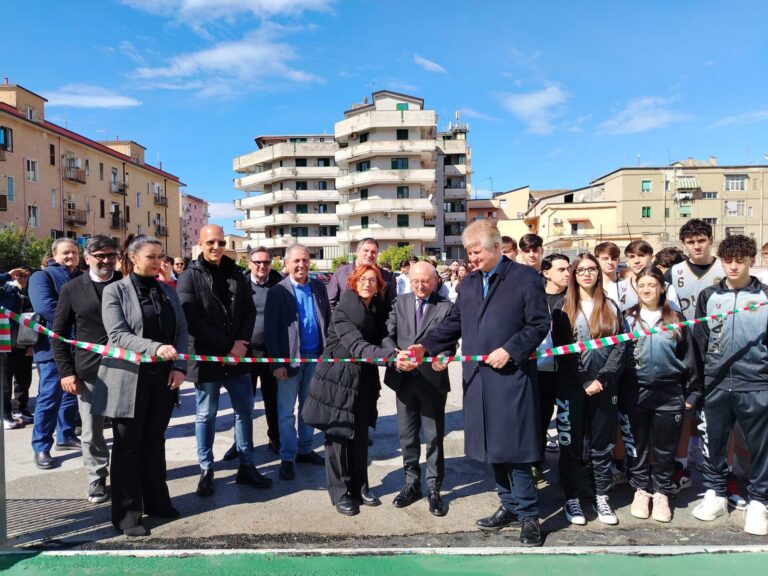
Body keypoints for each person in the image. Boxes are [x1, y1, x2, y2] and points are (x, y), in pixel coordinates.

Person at [408, 220, 550, 546]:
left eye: (477, 253)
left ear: (497, 248)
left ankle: (529, 516)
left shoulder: (524, 278)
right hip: (478, 380)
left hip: (511, 377)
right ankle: (508, 505)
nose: (472, 259)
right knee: (491, 448)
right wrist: (425, 346)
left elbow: (539, 323)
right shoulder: (470, 284)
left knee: (516, 450)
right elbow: (456, 322)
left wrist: (512, 350)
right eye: (469, 253)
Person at [96, 235, 187, 536]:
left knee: (154, 442)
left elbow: (182, 332)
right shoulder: (115, 291)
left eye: (161, 256)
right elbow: (118, 335)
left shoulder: (167, 291)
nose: (159, 261)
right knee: (128, 447)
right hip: (128, 380)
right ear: (133, 258)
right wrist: (155, 347)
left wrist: (178, 366)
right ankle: (127, 515)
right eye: (152, 256)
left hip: (163, 379)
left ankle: (158, 503)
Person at [177, 224, 271, 498]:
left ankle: (246, 464)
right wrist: (228, 347)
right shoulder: (188, 277)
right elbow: (192, 319)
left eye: (220, 242)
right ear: (200, 243)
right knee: (206, 415)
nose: (216, 247)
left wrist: (240, 346)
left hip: (238, 359)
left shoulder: (235, 273)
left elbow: (248, 311)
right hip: (208, 360)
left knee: (245, 412)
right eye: (210, 243)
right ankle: (206, 469)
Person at [302, 264, 396, 516]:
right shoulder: (344, 309)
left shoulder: (375, 308)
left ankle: (360, 487)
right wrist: (392, 357)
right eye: (362, 279)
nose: (367, 284)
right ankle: (340, 492)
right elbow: (358, 347)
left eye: (373, 280)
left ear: (378, 286)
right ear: (354, 282)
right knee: (338, 438)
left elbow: (382, 336)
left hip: (364, 379)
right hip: (338, 381)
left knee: (360, 436)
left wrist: (395, 350)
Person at [692, 235, 768, 536]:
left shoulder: (765, 296)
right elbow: (699, 341)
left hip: (756, 383)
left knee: (760, 447)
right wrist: (698, 384)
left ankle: (760, 502)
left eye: (740, 260)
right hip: (716, 383)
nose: (734, 266)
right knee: (714, 443)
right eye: (728, 260)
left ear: (751, 260)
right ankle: (716, 493)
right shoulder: (709, 295)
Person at [552, 252, 628, 526]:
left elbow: (621, 345)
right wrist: (584, 379)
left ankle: (602, 496)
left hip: (605, 387)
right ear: (573, 274)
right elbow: (563, 352)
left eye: (592, 269)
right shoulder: (562, 308)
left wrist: (604, 378)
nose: (586, 274)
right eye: (581, 269)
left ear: (598, 273)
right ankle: (571, 497)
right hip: (572, 388)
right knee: (570, 445)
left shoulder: (612, 307)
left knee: (601, 445)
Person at [623, 266, 700, 523]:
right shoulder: (627, 319)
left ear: (662, 288)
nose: (647, 290)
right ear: (636, 288)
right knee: (639, 446)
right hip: (636, 392)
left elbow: (689, 358)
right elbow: (619, 357)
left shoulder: (676, 319)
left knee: (665, 448)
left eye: (652, 285)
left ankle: (661, 493)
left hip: (669, 393)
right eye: (642, 285)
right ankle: (641, 490)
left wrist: (692, 393)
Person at [52, 236, 122, 504]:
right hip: (89, 371)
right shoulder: (72, 289)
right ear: (87, 257)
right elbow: (58, 334)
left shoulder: (126, 284)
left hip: (128, 370)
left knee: (125, 429)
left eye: (111, 255)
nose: (106, 260)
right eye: (100, 256)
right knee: (92, 431)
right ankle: (96, 478)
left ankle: (124, 475)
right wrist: (66, 372)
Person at [382, 261, 455, 516]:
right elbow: (387, 334)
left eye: (425, 281)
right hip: (403, 378)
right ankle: (411, 483)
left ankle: (434, 488)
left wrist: (443, 355)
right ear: (409, 280)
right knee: (407, 436)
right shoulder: (399, 303)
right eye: (415, 281)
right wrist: (394, 354)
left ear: (435, 281)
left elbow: (449, 340)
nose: (420, 286)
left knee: (434, 437)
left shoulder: (446, 307)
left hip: (432, 381)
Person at [665, 219, 726, 496]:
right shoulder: (674, 272)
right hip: (684, 347)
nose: (696, 245)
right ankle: (682, 464)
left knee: (719, 410)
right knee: (685, 407)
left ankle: (724, 468)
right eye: (690, 242)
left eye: (701, 240)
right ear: (684, 245)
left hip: (719, 346)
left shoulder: (725, 267)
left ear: (710, 239)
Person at [265, 244, 330, 481]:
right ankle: (287, 456)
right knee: (285, 413)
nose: (301, 265)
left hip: (315, 358)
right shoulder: (277, 291)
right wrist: (276, 364)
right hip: (288, 362)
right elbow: (271, 331)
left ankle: (305, 449)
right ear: (287, 263)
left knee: (308, 409)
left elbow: (327, 320)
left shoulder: (318, 287)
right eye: (296, 261)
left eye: (305, 260)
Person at [222, 247, 283, 460]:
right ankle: (239, 442)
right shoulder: (239, 285)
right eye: (257, 262)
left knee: (272, 399)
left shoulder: (279, 285)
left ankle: (275, 437)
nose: (262, 266)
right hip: (244, 353)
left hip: (271, 352)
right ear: (249, 263)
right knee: (243, 402)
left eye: (266, 262)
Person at [28, 238, 82, 470]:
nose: (70, 256)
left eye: (74, 252)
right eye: (65, 253)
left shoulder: (82, 276)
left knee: (70, 393)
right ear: (54, 255)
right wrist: (77, 323)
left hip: (78, 345)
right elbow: (45, 307)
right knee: (49, 397)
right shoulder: (42, 276)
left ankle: (66, 435)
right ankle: (41, 447)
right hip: (52, 347)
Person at [534, 254, 571, 468]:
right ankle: (536, 462)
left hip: (569, 370)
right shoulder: (535, 298)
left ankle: (571, 467)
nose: (567, 273)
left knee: (569, 421)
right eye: (561, 269)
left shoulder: (574, 298)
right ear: (546, 273)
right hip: (541, 370)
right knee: (540, 418)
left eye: (568, 269)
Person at [327, 238, 396, 310]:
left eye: (373, 252)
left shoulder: (387, 277)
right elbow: (329, 303)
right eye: (366, 251)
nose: (369, 255)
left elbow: (392, 306)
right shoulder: (341, 273)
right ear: (358, 252)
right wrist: (339, 319)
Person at [618, 240, 680, 312]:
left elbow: (676, 318)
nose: (636, 261)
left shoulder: (667, 288)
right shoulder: (618, 288)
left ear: (652, 258)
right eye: (632, 257)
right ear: (627, 261)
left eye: (641, 255)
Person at [1, 267, 26, 429]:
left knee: (15, 377)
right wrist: (8, 275)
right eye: (20, 275)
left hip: (16, 340)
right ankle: (5, 414)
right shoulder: (5, 289)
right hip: (3, 341)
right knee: (4, 381)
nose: (23, 278)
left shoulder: (18, 292)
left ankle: (14, 411)